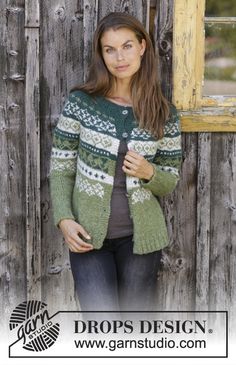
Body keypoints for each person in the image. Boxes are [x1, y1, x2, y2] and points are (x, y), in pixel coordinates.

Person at [49, 12, 182, 314]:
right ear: (101, 54)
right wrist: (64, 219)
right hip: (88, 238)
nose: (119, 57)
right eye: (109, 49)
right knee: (100, 325)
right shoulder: (82, 103)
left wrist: (150, 173)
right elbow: (61, 168)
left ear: (142, 47)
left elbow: (170, 179)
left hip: (140, 240)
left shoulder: (164, 113)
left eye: (126, 46)